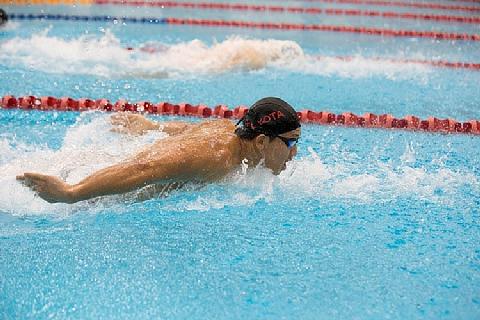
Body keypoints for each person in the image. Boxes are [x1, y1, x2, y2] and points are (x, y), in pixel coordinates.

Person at [17, 97, 301, 203]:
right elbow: (144, 169)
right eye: (290, 143)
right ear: (262, 142)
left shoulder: (230, 132)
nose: (294, 153)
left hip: (106, 163)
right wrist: (71, 193)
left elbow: (185, 131)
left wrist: (150, 126)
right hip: (101, 185)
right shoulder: (216, 157)